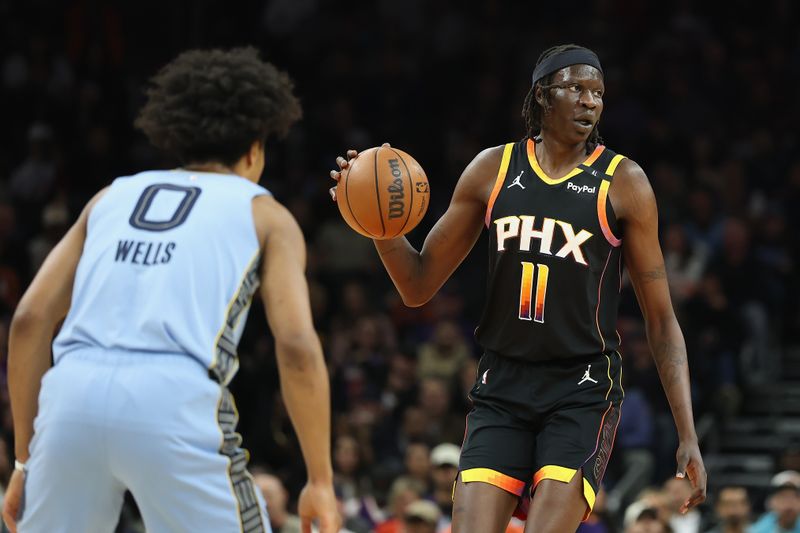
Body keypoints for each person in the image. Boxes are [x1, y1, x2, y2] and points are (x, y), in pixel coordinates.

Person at [330, 44, 706, 532]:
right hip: (502, 386)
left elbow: (661, 320)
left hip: (581, 389)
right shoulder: (494, 169)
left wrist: (687, 433)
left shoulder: (624, 182)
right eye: (576, 88)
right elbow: (417, 285)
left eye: (598, 93)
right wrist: (379, 223)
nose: (590, 101)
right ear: (542, 97)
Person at [3, 48, 339, 533]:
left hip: (69, 395)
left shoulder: (111, 196)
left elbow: (29, 321)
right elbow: (297, 347)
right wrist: (320, 480)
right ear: (253, 148)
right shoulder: (265, 212)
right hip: (174, 400)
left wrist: (24, 462)